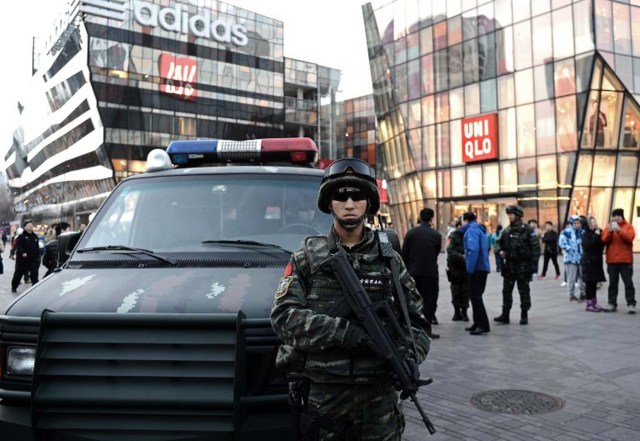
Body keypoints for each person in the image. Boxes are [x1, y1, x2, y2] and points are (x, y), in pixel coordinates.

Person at [270, 158, 431, 441]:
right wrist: (342, 332)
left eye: (357, 196)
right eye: (340, 196)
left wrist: (409, 358)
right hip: (325, 399)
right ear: (329, 203)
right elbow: (283, 317)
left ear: (368, 203)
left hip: (378, 402)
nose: (349, 203)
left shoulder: (390, 261)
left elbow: (417, 323)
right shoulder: (307, 257)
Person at [494, 205, 540, 325]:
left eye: (512, 214)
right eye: (508, 214)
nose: (509, 216)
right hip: (509, 266)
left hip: (523, 266)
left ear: (518, 215)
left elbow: (536, 248)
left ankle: (524, 315)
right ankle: (505, 315)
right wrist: (500, 251)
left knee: (524, 291)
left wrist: (533, 267)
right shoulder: (507, 230)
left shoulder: (527, 229)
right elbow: (498, 243)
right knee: (506, 291)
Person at [402, 207, 442, 338]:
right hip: (430, 273)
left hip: (413, 272)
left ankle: (413, 328)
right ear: (432, 218)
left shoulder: (411, 233)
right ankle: (426, 329)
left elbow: (404, 253)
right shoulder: (436, 235)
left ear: (420, 217)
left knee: (413, 301)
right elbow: (435, 253)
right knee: (429, 301)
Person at [460, 212, 491, 335]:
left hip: (477, 268)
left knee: (476, 296)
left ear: (465, 220)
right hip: (481, 267)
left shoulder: (471, 230)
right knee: (474, 296)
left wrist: (469, 268)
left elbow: (472, 250)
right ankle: (477, 322)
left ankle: (483, 325)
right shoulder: (478, 229)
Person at [601, 208, 636, 313]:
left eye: (618, 216)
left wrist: (619, 231)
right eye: (614, 216)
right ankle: (612, 303)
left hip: (625, 260)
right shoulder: (608, 227)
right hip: (612, 260)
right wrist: (610, 232)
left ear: (622, 217)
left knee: (628, 283)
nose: (616, 218)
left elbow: (629, 238)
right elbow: (604, 240)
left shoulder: (628, 227)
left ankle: (631, 303)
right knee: (612, 283)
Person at [446, 217, 470, 322]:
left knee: (465, 291)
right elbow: (450, 251)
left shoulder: (469, 235)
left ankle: (464, 312)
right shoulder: (453, 236)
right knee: (455, 291)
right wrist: (461, 256)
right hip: (455, 268)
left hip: (466, 269)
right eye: (460, 225)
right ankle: (456, 312)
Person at [581, 216, 605, 312]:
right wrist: (596, 235)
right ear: (589, 224)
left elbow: (601, 245)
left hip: (596, 261)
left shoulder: (598, 232)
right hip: (588, 262)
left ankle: (594, 302)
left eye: (595, 221)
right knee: (589, 284)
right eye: (592, 222)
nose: (595, 223)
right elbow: (588, 245)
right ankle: (589, 303)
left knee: (594, 283)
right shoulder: (585, 234)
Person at [559, 215, 585, 302]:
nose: (577, 224)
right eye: (575, 223)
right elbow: (562, 243)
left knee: (582, 277)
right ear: (571, 223)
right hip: (570, 259)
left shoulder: (582, 232)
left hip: (581, 258)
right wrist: (570, 250)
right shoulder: (566, 232)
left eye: (578, 223)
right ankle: (571, 294)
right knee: (571, 277)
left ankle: (583, 293)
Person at [11, 221, 41, 293]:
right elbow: (19, 246)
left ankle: (35, 286)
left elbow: (37, 247)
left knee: (34, 273)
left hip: (33, 259)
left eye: (31, 225)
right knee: (18, 273)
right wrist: (23, 252)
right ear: (25, 227)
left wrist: (38, 257)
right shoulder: (21, 236)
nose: (31, 226)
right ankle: (14, 286)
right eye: (29, 225)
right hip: (22, 259)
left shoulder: (35, 236)